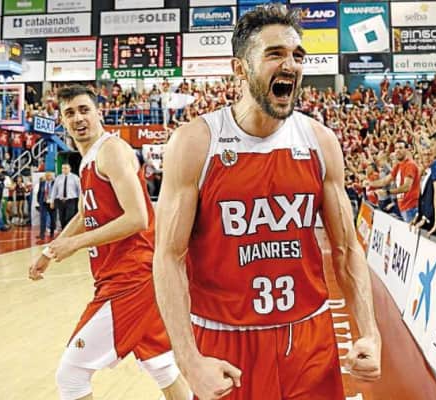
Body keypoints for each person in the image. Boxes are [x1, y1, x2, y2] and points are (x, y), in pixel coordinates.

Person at [153, 5, 381, 400]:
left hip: (308, 337)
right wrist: (188, 361)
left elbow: (346, 248)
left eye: (297, 55)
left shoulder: (320, 142)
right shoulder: (195, 143)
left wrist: (370, 332)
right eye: (275, 54)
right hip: (225, 341)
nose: (290, 65)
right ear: (239, 68)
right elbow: (168, 257)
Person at [28, 86, 189, 400]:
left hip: (132, 277)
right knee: (161, 365)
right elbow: (84, 213)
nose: (78, 118)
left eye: (84, 110)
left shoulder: (111, 151)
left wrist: (76, 244)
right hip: (123, 275)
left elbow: (138, 218)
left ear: (98, 112)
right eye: (70, 113)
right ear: (62, 121)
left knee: (71, 374)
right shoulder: (88, 160)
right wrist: (49, 251)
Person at [367, 139, 420, 222]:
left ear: (407, 150)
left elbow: (406, 187)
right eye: (396, 148)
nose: (397, 150)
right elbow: (385, 181)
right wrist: (370, 183)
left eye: (400, 148)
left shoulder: (410, 165)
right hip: (403, 206)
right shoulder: (398, 166)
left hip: (410, 207)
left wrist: (388, 192)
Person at [50, 163, 81, 229]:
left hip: (71, 200)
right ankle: (64, 231)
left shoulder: (75, 177)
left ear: (70, 169)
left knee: (69, 217)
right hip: (60, 201)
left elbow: (79, 190)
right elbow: (54, 190)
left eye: (65, 168)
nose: (64, 170)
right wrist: (52, 201)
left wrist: (80, 200)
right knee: (61, 218)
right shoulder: (58, 178)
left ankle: (69, 231)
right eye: (63, 168)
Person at [37, 172, 56, 240]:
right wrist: (39, 201)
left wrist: (55, 202)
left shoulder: (55, 183)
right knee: (43, 218)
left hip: (52, 203)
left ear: (52, 176)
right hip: (43, 202)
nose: (48, 177)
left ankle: (52, 233)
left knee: (53, 218)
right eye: (46, 176)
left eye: (49, 175)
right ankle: (42, 234)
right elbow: (39, 192)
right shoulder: (42, 183)